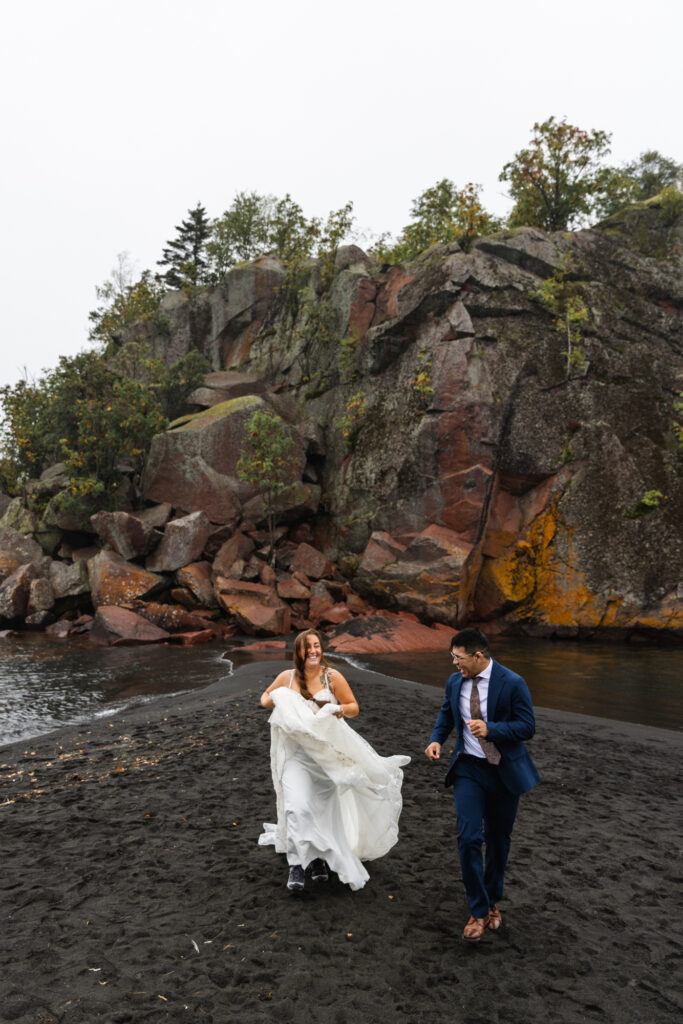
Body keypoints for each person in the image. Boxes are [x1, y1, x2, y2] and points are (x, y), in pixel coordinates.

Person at [259, 628, 410, 893]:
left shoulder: (332, 677)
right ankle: (296, 864)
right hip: (297, 757)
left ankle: (317, 859)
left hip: (326, 758)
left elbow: (353, 707)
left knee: (321, 811)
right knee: (297, 807)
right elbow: (265, 698)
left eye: (317, 646)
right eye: (307, 647)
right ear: (299, 651)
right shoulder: (287, 677)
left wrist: (337, 708)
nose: (313, 651)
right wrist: (281, 700)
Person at [425, 628, 539, 942]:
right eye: (452, 657)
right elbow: (447, 714)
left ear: (478, 656)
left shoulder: (513, 682)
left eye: (458, 657)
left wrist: (491, 729)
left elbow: (527, 727)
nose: (454, 663)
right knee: (468, 837)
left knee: (499, 841)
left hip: (504, 772)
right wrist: (436, 739)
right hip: (468, 770)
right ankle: (477, 910)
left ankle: (492, 902)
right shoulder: (454, 682)